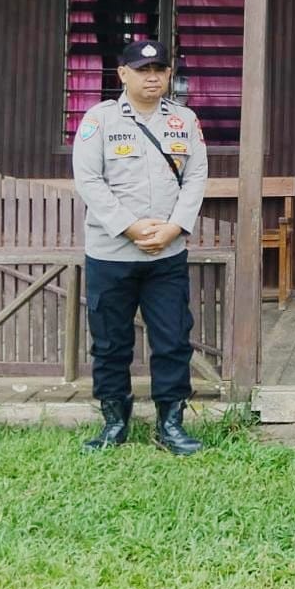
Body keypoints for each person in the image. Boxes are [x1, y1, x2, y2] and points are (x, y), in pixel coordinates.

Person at [72, 39, 208, 455]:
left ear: (169, 74)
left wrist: (175, 228)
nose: (153, 77)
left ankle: (171, 424)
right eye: (143, 70)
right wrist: (129, 227)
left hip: (166, 255)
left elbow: (196, 177)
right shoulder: (99, 119)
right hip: (111, 254)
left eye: (160, 70)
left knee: (172, 339)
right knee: (110, 342)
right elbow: (89, 180)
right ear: (123, 74)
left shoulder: (183, 120)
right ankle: (114, 423)